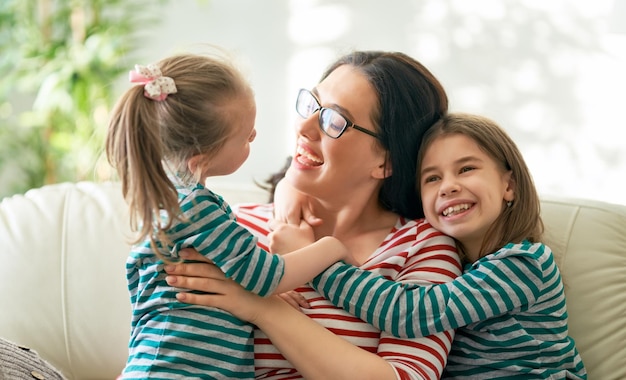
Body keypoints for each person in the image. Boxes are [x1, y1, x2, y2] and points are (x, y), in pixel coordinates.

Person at [164, 50, 463, 379]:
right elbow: (161, 345)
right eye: (311, 105)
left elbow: (407, 376)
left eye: (335, 120)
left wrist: (263, 307)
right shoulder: (228, 225)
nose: (304, 128)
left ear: (387, 162)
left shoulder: (419, 248)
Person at [279, 113, 588, 378]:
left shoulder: (524, 264)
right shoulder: (453, 262)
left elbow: (410, 313)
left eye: (466, 169)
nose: (448, 186)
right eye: (432, 178)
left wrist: (315, 264)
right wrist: (289, 189)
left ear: (509, 185)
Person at [105, 52, 351, 379]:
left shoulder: (174, 203)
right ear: (201, 158)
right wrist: (332, 247)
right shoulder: (196, 207)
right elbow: (267, 276)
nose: (254, 137)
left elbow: (236, 276)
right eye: (246, 136)